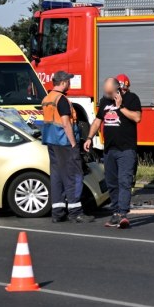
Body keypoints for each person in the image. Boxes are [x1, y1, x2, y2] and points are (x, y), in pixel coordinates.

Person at [85, 76, 142, 229]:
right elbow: (98, 121)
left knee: (124, 181)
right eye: (106, 93)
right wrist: (89, 137)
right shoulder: (104, 101)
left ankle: (123, 214)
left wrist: (121, 106)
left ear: (118, 89)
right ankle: (116, 212)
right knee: (111, 183)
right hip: (110, 150)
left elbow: (137, 118)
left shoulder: (131, 98)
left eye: (110, 93)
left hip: (126, 149)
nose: (108, 96)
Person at [42, 70, 93, 224]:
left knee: (57, 177)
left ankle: (57, 213)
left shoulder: (47, 98)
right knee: (74, 176)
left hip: (52, 143)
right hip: (65, 143)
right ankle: (76, 212)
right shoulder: (62, 100)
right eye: (69, 81)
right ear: (63, 82)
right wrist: (73, 143)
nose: (70, 84)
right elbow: (66, 123)